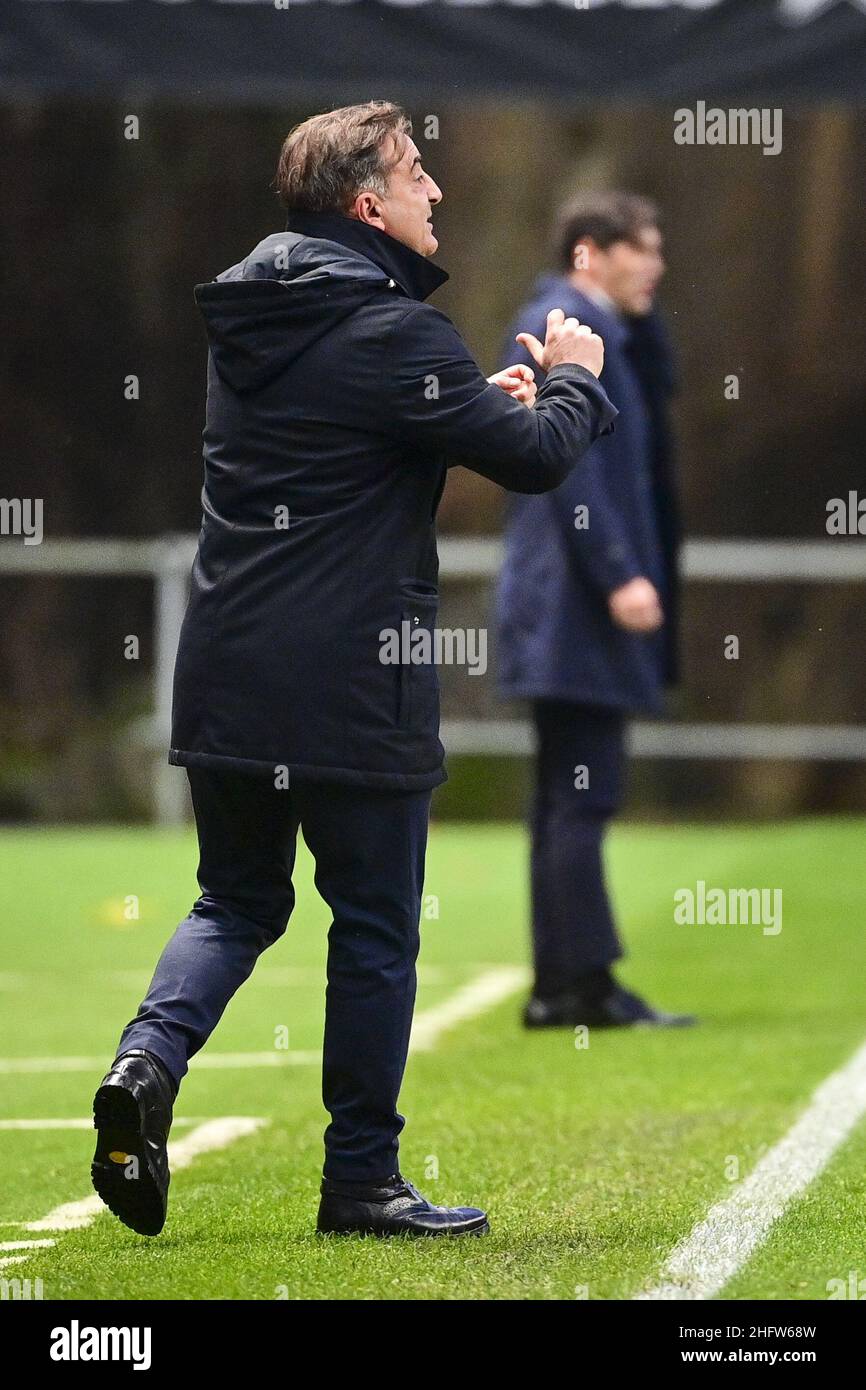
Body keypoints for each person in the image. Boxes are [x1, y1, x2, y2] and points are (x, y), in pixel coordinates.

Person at [90, 102, 618, 1240]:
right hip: (349, 682)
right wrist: (572, 378)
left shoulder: (252, 320)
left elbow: (373, 434)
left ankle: (144, 1065)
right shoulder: (393, 332)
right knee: (374, 927)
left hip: (228, 670)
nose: (440, 192)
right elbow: (527, 460)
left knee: (234, 899)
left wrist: (477, 405)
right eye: (418, 172)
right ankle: (361, 1183)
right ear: (366, 204)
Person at [496, 190, 695, 1031]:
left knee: (564, 798)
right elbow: (570, 464)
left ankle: (561, 987)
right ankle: (581, 988)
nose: (653, 263)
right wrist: (619, 573)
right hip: (576, 604)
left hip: (564, 603)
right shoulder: (566, 324)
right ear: (590, 251)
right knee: (582, 795)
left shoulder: (603, 325)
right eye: (637, 248)